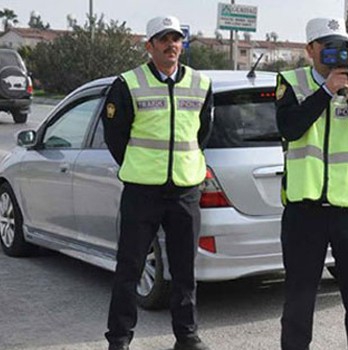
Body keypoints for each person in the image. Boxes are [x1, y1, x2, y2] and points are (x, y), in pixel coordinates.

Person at [276, 17, 348, 350]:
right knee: (298, 302)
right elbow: (290, 128)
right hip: (304, 210)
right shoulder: (291, 84)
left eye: (341, 45)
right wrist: (325, 92)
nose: (335, 53)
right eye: (327, 46)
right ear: (310, 49)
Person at [101, 15, 212, 350]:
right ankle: (119, 339)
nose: (171, 45)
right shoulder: (127, 84)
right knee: (129, 269)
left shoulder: (200, 83)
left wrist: (182, 166)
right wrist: (140, 166)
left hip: (185, 191)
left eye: (176, 39)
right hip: (142, 193)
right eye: (163, 39)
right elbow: (115, 137)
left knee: (184, 271)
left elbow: (202, 133)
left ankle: (187, 336)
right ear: (149, 46)